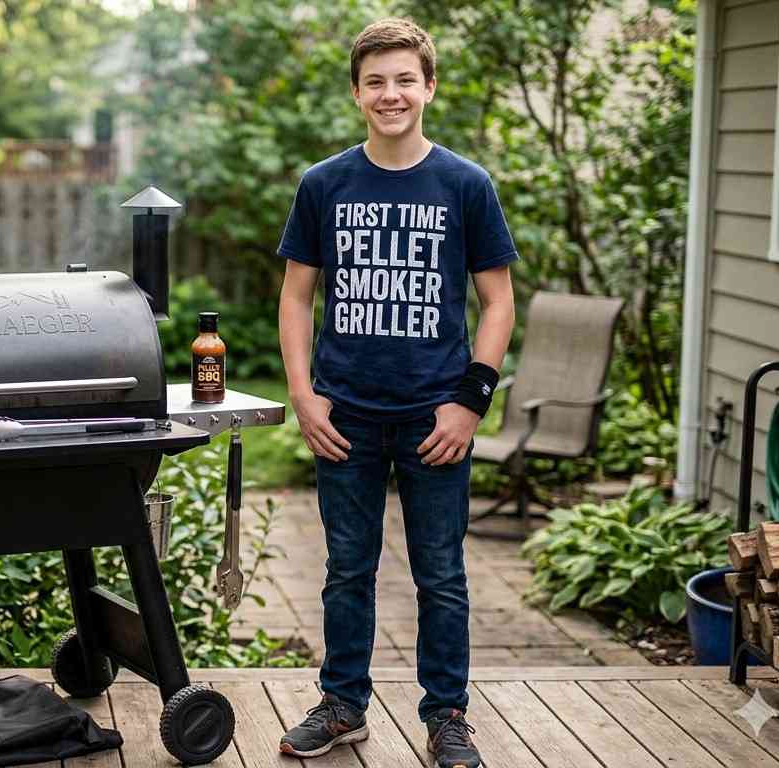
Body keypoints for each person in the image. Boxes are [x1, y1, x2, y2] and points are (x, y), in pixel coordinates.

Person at [274, 17, 517, 768]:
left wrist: (471, 402)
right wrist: (305, 398)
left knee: (441, 574)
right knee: (349, 568)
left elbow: (499, 302)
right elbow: (295, 298)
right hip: (345, 415)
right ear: (356, 93)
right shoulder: (325, 183)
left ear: (429, 87)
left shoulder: (465, 184)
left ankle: (446, 714)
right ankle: (344, 704)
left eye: (405, 79)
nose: (391, 93)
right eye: (375, 81)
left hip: (433, 417)